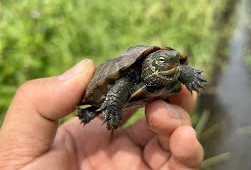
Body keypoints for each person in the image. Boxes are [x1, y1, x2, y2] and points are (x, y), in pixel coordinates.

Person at [0, 59, 203, 169]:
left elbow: (181, 68)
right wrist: (112, 106)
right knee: (111, 97)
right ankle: (94, 110)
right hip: (111, 93)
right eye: (162, 61)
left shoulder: (172, 70)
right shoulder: (131, 76)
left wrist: (190, 75)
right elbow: (120, 84)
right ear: (149, 66)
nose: (171, 61)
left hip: (159, 95)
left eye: (173, 61)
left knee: (172, 121)